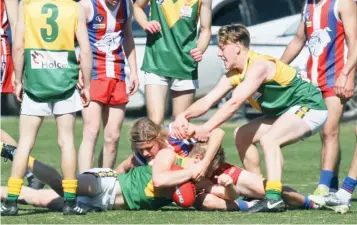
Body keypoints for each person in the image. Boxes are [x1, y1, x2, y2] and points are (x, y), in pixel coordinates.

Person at [171, 24, 328, 212]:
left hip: (310, 107)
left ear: (237, 46)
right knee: (242, 134)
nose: (219, 53)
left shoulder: (259, 66)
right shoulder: (235, 74)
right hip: (288, 112)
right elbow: (208, 100)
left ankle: (273, 198)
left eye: (222, 47)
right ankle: (257, 192)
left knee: (270, 140)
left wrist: (207, 127)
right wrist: (183, 115)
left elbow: (234, 103)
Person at [0, 0, 92, 216]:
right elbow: (85, 50)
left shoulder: (28, 5)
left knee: (25, 143)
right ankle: (70, 202)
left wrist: (19, 78)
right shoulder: (74, 7)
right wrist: (86, 84)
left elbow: (19, 45)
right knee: (66, 141)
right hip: (65, 81)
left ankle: (11, 202)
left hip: (36, 81)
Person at [0, 140, 225, 212]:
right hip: (107, 184)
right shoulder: (170, 156)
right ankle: (15, 153)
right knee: (61, 186)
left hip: (104, 205)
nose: (208, 173)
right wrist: (192, 172)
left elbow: (217, 196)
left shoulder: (195, 181)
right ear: (199, 159)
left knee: (38, 199)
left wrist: (240, 198)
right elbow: (159, 180)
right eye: (208, 167)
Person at [280, 0, 357, 197]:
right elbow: (298, 40)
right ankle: (331, 185)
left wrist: (347, 75)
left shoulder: (343, 3)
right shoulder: (308, 5)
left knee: (330, 129)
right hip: (313, 81)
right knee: (325, 133)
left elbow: (354, 42)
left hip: (336, 78)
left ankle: (322, 187)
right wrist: (277, 68)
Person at [77, 0, 139, 173]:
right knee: (92, 130)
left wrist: (133, 71)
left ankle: (102, 185)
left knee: (112, 137)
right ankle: (83, 185)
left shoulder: (127, 5)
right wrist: (78, 69)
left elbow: (128, 37)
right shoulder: (86, 6)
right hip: (94, 75)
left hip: (118, 75)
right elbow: (71, 39)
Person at [133, 0, 212, 125]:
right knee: (155, 123)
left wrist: (200, 49)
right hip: (156, 61)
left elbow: (206, 30)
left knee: (180, 125)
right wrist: (145, 23)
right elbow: (137, 7)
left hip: (185, 64)